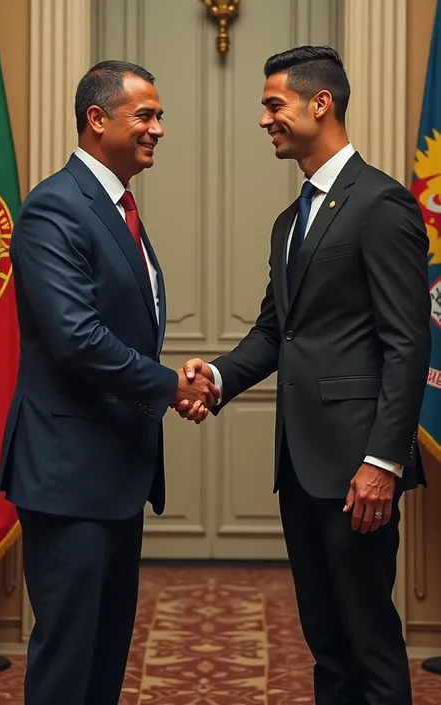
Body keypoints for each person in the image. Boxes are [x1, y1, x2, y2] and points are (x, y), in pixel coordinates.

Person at [177, 46, 431, 705]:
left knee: (369, 638)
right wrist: (219, 377)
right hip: (300, 463)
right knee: (325, 639)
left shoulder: (382, 204)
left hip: (357, 470)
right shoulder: (291, 220)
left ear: (321, 103)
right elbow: (275, 331)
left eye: (273, 104)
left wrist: (383, 460)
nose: (265, 120)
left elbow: (407, 343)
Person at [0, 60, 218, 705]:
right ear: (98, 120)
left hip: (113, 473)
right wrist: (169, 387)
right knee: (69, 661)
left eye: (159, 117)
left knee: (104, 655)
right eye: (144, 115)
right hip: (69, 476)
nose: (158, 130)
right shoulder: (54, 207)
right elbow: (75, 337)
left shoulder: (116, 206)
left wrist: (167, 385)